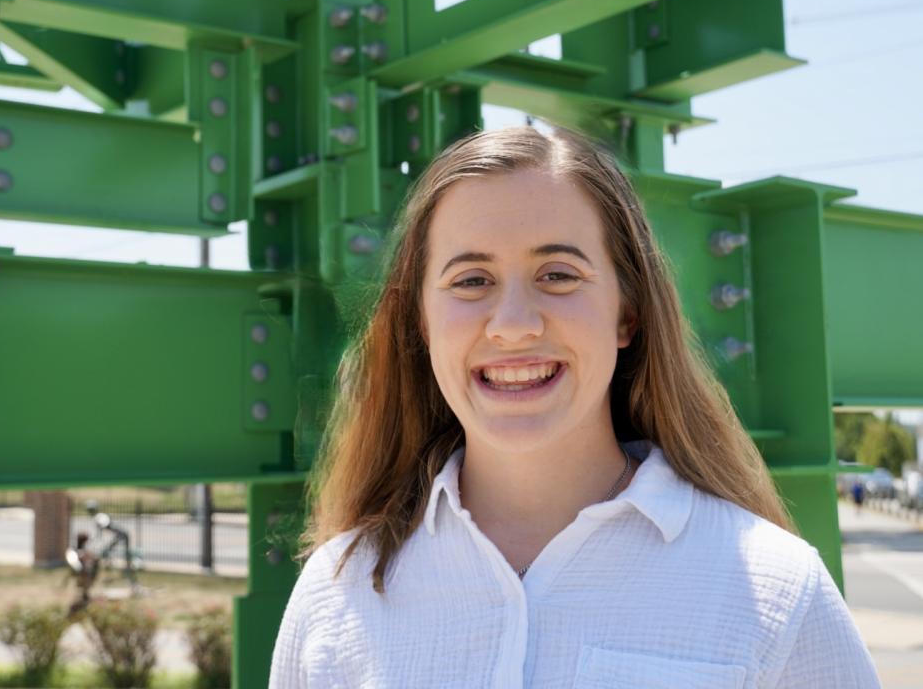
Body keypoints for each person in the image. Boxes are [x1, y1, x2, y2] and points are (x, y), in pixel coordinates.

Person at [268, 125, 881, 688]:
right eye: (471, 280)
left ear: (627, 312)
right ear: (422, 323)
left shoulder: (776, 588)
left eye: (558, 274)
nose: (511, 325)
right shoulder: (335, 593)